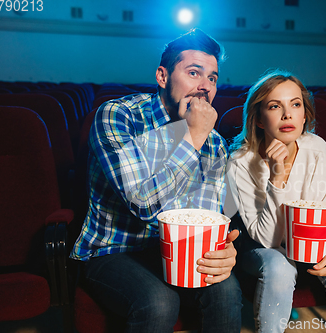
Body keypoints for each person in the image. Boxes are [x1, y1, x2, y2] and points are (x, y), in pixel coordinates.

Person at [70, 28, 242, 333]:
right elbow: (145, 205)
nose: (204, 88)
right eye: (193, 73)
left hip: (179, 249)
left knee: (227, 290)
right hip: (114, 251)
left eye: (212, 78)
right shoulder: (118, 116)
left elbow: (205, 215)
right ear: (162, 77)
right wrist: (194, 135)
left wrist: (223, 250)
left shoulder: (214, 142)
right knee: (159, 301)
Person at [227, 69, 326, 333]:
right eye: (275, 106)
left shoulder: (317, 148)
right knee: (280, 266)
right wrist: (277, 178)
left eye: (295, 104)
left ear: (304, 115)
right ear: (259, 119)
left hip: (309, 241)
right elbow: (267, 239)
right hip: (260, 248)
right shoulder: (240, 162)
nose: (287, 115)